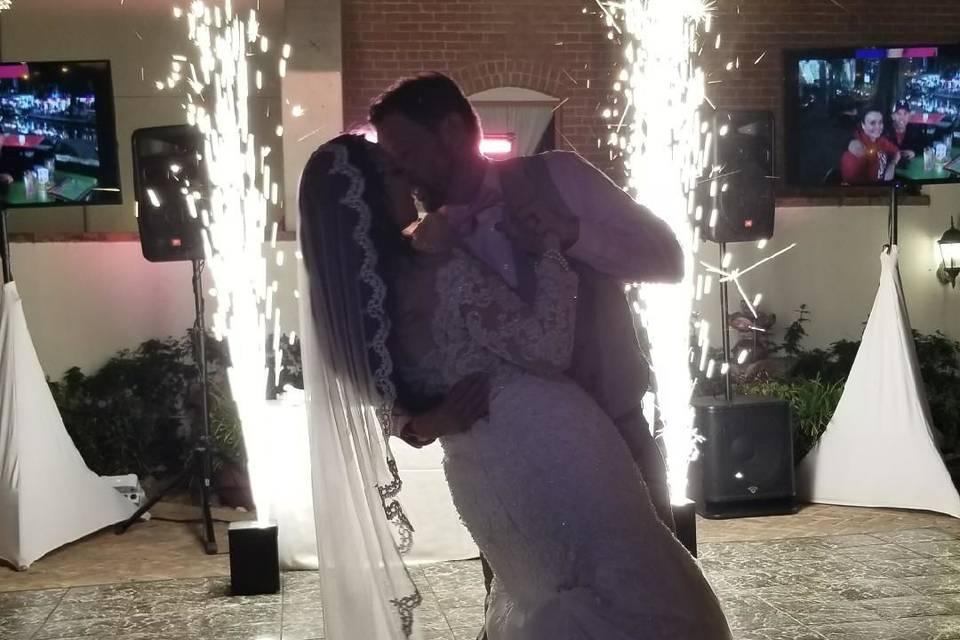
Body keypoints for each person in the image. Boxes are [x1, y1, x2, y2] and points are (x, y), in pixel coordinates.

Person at [298, 133, 731, 640]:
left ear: (448, 126)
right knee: (624, 596)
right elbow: (546, 348)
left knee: (560, 592)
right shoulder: (429, 263)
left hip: (493, 467)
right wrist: (550, 252)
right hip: (548, 445)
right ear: (368, 196)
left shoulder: (349, 306)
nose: (410, 176)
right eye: (396, 171)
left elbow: (368, 387)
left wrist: (424, 419)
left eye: (407, 155)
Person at [840, 105, 901, 183]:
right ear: (863, 125)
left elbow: (896, 152)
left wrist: (892, 165)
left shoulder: (879, 139)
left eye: (880, 122)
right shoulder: (856, 149)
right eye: (872, 123)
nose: (878, 127)